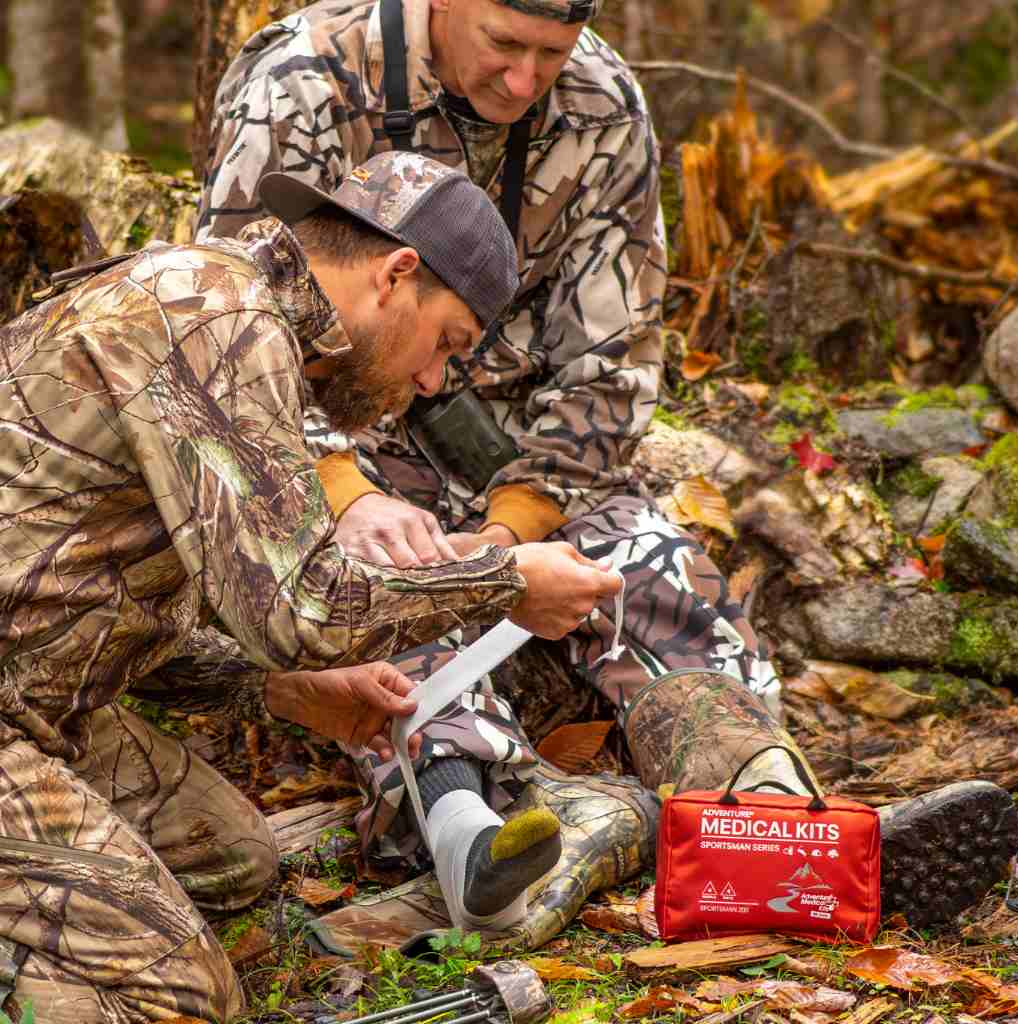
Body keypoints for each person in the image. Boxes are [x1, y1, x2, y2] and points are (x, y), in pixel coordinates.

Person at [198, 0, 1018, 944]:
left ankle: (781, 819)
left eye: (548, 54)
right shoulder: (303, 80)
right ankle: (473, 833)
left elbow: (611, 365)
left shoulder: (598, 100)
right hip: (327, 435)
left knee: (651, 566)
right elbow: (235, 325)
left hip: (511, 444)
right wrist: (343, 496)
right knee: (383, 593)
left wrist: (509, 533)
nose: (523, 82)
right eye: (503, 45)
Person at [0, 151, 623, 1023]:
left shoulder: (241, 322)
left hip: (41, 697)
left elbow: (97, 602)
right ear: (396, 274)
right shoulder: (213, 314)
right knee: (181, 997)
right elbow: (307, 607)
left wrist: (279, 691)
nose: (433, 381)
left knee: (234, 858)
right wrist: (505, 578)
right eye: (445, 343)